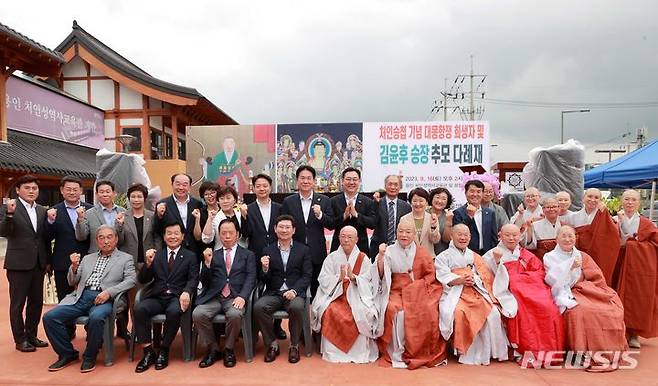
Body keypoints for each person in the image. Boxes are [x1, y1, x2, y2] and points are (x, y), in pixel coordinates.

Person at [42, 225, 136, 372]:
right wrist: (73, 267)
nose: (106, 241)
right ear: (97, 241)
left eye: (109, 237)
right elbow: (72, 282)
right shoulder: (87, 258)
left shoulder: (125, 258)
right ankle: (67, 354)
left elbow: (131, 280)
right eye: (102, 238)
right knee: (50, 317)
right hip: (81, 297)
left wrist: (109, 292)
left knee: (96, 317)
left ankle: (89, 356)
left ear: (116, 239)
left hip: (106, 299)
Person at [543, 225, 627, 372]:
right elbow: (554, 282)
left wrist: (587, 282)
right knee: (579, 310)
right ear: (556, 239)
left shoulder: (582, 256)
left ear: (576, 238)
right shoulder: (549, 257)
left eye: (571, 236)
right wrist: (570, 267)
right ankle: (580, 352)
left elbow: (597, 277)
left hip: (587, 289)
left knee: (610, 307)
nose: (568, 239)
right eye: (563, 236)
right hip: (564, 291)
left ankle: (609, 350)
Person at [483, 224, 563, 365]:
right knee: (521, 310)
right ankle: (527, 350)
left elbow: (540, 272)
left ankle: (550, 351)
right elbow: (486, 277)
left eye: (515, 235)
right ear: (500, 236)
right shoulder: (491, 254)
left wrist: (521, 279)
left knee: (549, 309)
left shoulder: (525, 254)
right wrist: (497, 262)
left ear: (520, 236)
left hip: (533, 290)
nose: (512, 238)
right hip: (508, 292)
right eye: (507, 235)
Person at [373, 219, 446, 369]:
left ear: (414, 234)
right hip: (395, 290)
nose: (404, 235)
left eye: (408, 232)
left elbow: (430, 275)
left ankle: (417, 350)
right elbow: (380, 275)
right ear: (396, 232)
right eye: (401, 231)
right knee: (395, 310)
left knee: (428, 310)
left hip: (417, 290)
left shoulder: (421, 252)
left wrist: (417, 286)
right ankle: (397, 352)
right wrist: (380, 256)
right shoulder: (389, 251)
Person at [436, 224, 509, 365]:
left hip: (475, 290)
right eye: (459, 234)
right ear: (452, 236)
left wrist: (474, 278)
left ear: (470, 237)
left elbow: (486, 275)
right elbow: (442, 276)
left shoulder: (474, 256)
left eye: (466, 235)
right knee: (459, 312)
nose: (462, 237)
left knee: (493, 313)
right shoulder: (443, 256)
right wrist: (459, 280)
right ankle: (464, 350)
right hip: (455, 293)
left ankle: (491, 351)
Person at [133, 222, 199, 372]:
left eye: (176, 233)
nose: (172, 236)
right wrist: (148, 264)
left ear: (182, 237)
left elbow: (193, 279)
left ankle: (164, 349)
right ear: (164, 236)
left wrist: (187, 291)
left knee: (174, 312)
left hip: (177, 297)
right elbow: (142, 280)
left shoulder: (190, 256)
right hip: (157, 296)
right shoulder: (157, 255)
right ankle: (148, 352)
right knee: (140, 309)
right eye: (169, 233)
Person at [194, 219, 257, 368]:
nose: (227, 236)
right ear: (219, 235)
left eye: (231, 233)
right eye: (223, 233)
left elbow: (251, 278)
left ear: (238, 235)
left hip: (235, 296)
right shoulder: (213, 255)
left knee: (235, 315)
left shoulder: (248, 255)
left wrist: (243, 296)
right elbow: (205, 281)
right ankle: (213, 348)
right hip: (215, 297)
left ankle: (229, 349)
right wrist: (207, 264)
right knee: (198, 314)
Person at [311, 226, 378, 363]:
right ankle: (333, 351)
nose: (346, 240)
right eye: (343, 236)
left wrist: (354, 278)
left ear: (356, 239)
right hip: (335, 295)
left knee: (362, 312)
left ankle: (357, 353)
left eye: (350, 237)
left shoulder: (363, 258)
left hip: (357, 295)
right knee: (329, 310)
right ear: (338, 238)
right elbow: (323, 279)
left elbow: (369, 281)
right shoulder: (331, 258)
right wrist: (338, 278)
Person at [0, 175, 50, 352]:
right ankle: (20, 339)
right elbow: (3, 231)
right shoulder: (9, 207)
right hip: (18, 264)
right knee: (17, 304)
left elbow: (43, 238)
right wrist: (10, 214)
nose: (31, 191)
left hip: (38, 263)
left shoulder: (42, 211)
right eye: (27, 188)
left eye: (34, 188)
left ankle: (31, 335)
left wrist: (47, 262)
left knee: (36, 303)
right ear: (18, 190)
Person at [253, 215, 312, 364]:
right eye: (281, 227)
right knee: (259, 307)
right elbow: (264, 279)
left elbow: (307, 275)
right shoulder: (268, 249)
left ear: (293, 230)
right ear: (275, 229)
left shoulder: (303, 250)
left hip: (294, 292)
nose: (284, 230)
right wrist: (265, 268)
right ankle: (272, 344)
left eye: (287, 227)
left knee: (297, 306)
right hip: (274, 292)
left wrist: (295, 291)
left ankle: (294, 345)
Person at [280, 165, 334, 299]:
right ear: (297, 180)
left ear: (314, 181)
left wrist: (320, 215)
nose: (305, 181)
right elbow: (283, 224)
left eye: (309, 178)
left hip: (317, 251)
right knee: (296, 291)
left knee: (318, 291)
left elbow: (331, 224)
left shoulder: (324, 200)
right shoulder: (288, 201)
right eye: (302, 178)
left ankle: (316, 318)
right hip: (295, 251)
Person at [613, 189, 658, 349]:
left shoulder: (646, 223)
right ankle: (618, 331)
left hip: (637, 267)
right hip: (617, 263)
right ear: (621, 201)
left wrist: (632, 245)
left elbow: (654, 244)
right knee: (615, 295)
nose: (630, 202)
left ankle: (634, 334)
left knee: (637, 297)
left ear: (639, 203)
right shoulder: (613, 220)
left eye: (633, 199)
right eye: (627, 199)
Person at [45, 176, 94, 303]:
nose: (72, 192)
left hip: (88, 261)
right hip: (62, 262)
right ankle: (67, 324)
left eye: (75, 189)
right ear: (61, 190)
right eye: (68, 189)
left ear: (81, 191)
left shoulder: (90, 209)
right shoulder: (54, 211)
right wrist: (50, 221)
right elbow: (47, 237)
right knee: (64, 300)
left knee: (89, 298)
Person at [569, 188, 621, 284]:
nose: (592, 200)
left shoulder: (604, 216)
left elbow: (611, 236)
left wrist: (605, 214)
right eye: (589, 196)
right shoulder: (574, 217)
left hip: (597, 253)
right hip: (580, 253)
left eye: (596, 197)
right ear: (583, 198)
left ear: (600, 201)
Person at [153, 173, 204, 258]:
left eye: (185, 185)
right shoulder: (163, 204)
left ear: (190, 186)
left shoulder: (197, 204)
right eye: (178, 184)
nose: (181, 187)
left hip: (193, 251)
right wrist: (159, 216)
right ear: (172, 184)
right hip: (171, 251)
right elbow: (157, 230)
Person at [330, 167, 377, 254]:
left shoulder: (367, 201)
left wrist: (356, 215)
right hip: (338, 246)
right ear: (342, 181)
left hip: (361, 246)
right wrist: (344, 216)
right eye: (348, 179)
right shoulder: (334, 201)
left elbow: (372, 224)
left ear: (359, 181)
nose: (351, 182)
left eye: (355, 179)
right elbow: (330, 224)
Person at [75, 180, 126, 253]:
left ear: (114, 193)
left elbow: (125, 238)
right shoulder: (89, 213)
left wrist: (120, 225)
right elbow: (81, 237)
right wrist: (80, 219)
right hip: (96, 255)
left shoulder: (123, 212)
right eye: (101, 192)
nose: (105, 194)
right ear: (96, 194)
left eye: (108, 191)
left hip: (119, 255)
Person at [369, 175, 411, 260]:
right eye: (390, 184)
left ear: (400, 187)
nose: (392, 187)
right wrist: (375, 203)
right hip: (378, 248)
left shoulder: (406, 207)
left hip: (400, 249)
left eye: (396, 185)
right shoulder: (376, 203)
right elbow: (372, 223)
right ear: (385, 186)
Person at [117, 183, 158, 270]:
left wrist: (156, 254)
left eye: (139, 197)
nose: (136, 200)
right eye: (133, 197)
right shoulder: (122, 216)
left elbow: (157, 238)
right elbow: (119, 241)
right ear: (129, 198)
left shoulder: (152, 216)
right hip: (128, 262)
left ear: (145, 198)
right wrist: (120, 225)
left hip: (149, 261)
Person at [452, 180, 498, 255]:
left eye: (478, 191)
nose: (475, 194)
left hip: (487, 254)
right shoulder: (458, 213)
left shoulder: (490, 212)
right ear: (466, 193)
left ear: (482, 194)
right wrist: (469, 217)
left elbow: (494, 237)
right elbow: (459, 234)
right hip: (467, 254)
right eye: (472, 191)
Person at [242, 174, 281, 259]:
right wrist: (244, 217)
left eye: (265, 186)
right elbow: (245, 234)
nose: (262, 189)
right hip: (255, 254)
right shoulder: (248, 209)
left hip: (277, 253)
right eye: (258, 186)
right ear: (253, 189)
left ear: (270, 188)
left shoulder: (279, 208)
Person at [201, 185, 247, 250]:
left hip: (242, 252)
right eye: (222, 198)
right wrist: (209, 219)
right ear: (218, 201)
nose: (225, 201)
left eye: (228, 198)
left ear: (234, 200)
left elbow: (247, 233)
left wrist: (244, 216)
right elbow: (206, 239)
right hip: (221, 254)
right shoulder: (215, 217)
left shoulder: (240, 213)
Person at [399, 187, 441, 257]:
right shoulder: (404, 219)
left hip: (428, 258)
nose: (418, 204)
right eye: (415, 201)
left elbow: (435, 240)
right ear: (410, 202)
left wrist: (433, 227)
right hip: (409, 258)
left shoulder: (432, 218)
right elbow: (401, 241)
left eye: (421, 201)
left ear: (427, 202)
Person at [193, 181, 220, 251]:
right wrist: (197, 219)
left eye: (213, 193)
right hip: (205, 250)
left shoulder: (223, 210)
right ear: (203, 197)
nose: (210, 196)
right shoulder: (200, 213)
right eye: (206, 194)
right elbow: (197, 237)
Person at [428, 187, 454, 255]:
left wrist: (448, 222)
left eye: (444, 199)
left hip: (442, 256)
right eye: (437, 197)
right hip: (424, 255)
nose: (440, 201)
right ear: (432, 198)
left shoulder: (449, 216)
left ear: (447, 202)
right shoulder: (423, 213)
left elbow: (446, 240)